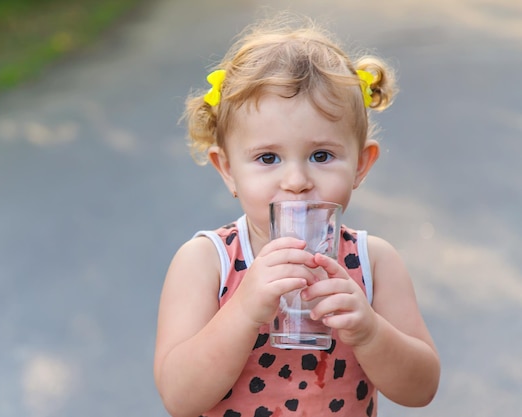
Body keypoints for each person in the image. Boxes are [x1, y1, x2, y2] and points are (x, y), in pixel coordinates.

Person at [154, 12, 440, 417]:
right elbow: (179, 398)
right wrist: (244, 309)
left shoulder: (374, 261)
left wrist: (370, 332)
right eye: (268, 157)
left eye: (321, 155)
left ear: (360, 165)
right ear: (228, 170)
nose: (296, 180)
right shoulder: (205, 263)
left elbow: (422, 388)